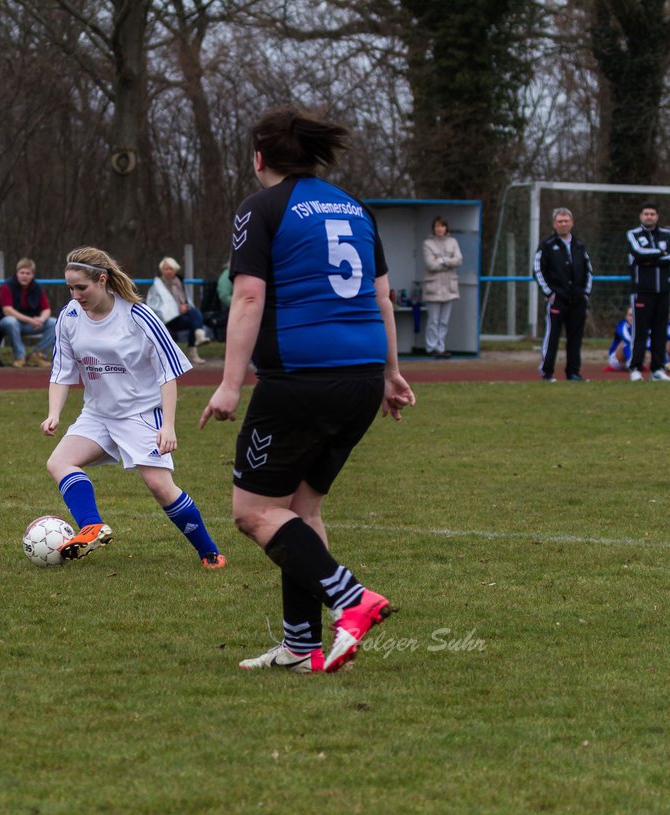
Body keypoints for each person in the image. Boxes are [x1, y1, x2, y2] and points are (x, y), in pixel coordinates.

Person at [199, 105, 415, 674]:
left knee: (251, 512)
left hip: (301, 382)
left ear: (260, 157)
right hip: (364, 379)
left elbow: (247, 298)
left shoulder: (262, 207)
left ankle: (352, 599)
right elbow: (382, 297)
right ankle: (302, 647)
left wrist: (227, 384)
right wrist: (392, 374)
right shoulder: (356, 208)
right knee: (300, 509)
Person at [42, 246, 225, 569]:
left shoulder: (139, 316)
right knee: (60, 462)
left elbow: (168, 373)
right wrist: (54, 413)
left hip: (141, 413)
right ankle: (92, 526)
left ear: (102, 280)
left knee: (158, 485)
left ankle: (209, 552)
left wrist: (167, 425)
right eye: (70, 288)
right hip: (98, 414)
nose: (75, 295)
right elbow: (61, 371)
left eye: (81, 287)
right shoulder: (69, 317)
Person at [533, 207, 593, 382]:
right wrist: (550, 293)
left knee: (575, 339)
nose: (564, 224)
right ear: (554, 224)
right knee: (552, 337)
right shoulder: (547, 245)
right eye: (560, 221)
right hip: (557, 300)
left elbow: (589, 270)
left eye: (566, 221)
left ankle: (573, 373)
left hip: (578, 299)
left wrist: (585, 293)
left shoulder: (580, 245)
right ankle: (547, 372)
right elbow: (538, 270)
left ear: (572, 223)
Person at [627, 202, 670, 382]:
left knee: (660, 331)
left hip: (664, 291)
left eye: (652, 214)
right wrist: (660, 253)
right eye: (646, 214)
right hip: (642, 291)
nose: (649, 216)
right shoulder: (633, 234)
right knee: (640, 331)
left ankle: (657, 369)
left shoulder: (667, 234)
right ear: (641, 216)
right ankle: (635, 368)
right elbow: (638, 253)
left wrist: (652, 259)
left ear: (657, 216)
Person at [147, 256, 210, 363]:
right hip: (168, 319)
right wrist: (176, 309)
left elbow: (185, 300)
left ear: (175, 270)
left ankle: (198, 338)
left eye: (171, 269)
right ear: (162, 270)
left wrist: (185, 307)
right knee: (194, 321)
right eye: (166, 269)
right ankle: (198, 339)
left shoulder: (179, 282)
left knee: (195, 314)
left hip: (183, 314)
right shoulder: (157, 286)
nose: (168, 271)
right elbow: (153, 304)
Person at [0, 258, 56, 368]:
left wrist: (41, 319)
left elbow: (46, 309)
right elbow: (7, 310)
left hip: (32, 324)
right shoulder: (6, 286)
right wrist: (30, 320)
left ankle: (38, 355)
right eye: (22, 273)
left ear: (33, 275)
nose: (24, 276)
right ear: (17, 273)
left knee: (55, 323)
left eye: (28, 273)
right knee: (10, 321)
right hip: (13, 323)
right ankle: (20, 356)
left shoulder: (37, 288)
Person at [421, 216, 462, 359]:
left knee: (444, 321)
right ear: (433, 228)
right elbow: (430, 264)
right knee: (433, 320)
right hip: (433, 287)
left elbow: (459, 260)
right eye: (437, 226)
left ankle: (441, 347)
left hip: (449, 287)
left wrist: (442, 260)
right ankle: (431, 348)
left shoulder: (453, 242)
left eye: (442, 226)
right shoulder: (428, 243)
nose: (440, 229)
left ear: (446, 228)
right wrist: (448, 262)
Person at [606, 306, 633, 372]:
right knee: (625, 343)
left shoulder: (642, 326)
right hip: (616, 359)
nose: (632, 318)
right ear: (626, 317)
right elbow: (626, 338)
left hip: (632, 355)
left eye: (634, 315)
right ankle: (631, 362)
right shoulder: (622, 324)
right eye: (630, 315)